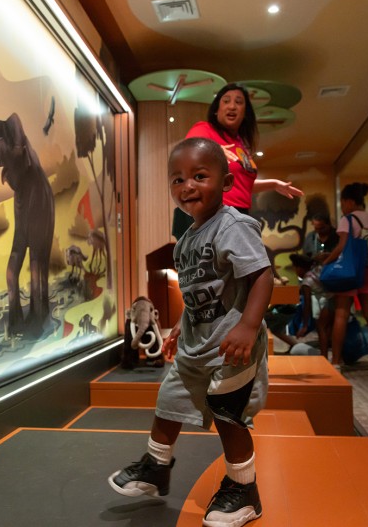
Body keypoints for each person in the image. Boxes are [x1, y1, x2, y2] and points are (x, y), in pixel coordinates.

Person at [110, 137, 273, 527]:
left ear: (226, 180)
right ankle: (156, 466)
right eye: (178, 179)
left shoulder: (232, 225)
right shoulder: (185, 242)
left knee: (227, 413)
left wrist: (248, 326)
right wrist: (180, 332)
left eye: (199, 176)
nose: (187, 187)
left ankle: (243, 490)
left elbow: (262, 274)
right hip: (197, 345)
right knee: (168, 399)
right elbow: (196, 294)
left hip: (233, 346)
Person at [172, 82, 303, 239]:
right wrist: (213, 150)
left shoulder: (240, 145)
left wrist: (273, 184)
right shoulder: (205, 129)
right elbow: (190, 149)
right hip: (213, 214)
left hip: (239, 214)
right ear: (216, 110)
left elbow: (240, 184)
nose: (232, 106)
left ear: (245, 112)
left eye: (239, 102)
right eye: (226, 101)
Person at [322, 183, 368, 375]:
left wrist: (327, 261)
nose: (342, 207)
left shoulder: (348, 220)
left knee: (341, 314)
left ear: (350, 202)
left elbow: (342, 247)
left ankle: (335, 362)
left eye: (343, 203)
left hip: (350, 271)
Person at [289, 253, 332, 358]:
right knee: (329, 330)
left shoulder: (307, 281)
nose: (295, 272)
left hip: (325, 303)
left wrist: (304, 325)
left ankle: (324, 356)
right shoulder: (317, 269)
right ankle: (337, 358)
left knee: (321, 328)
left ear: (300, 268)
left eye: (295, 268)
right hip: (334, 300)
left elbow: (307, 304)